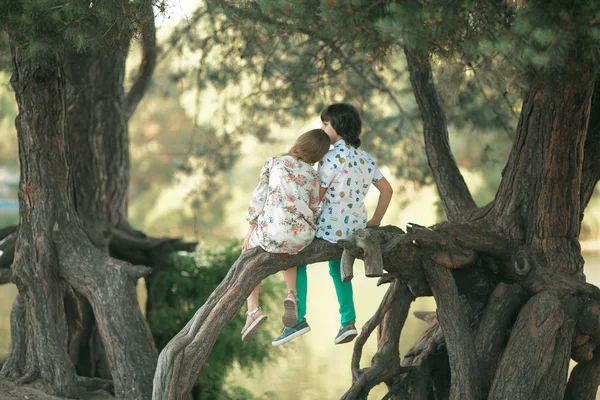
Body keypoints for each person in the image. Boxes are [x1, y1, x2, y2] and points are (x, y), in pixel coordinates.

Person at [272, 103, 393, 347]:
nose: (322, 127)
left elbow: (317, 197)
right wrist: (375, 221)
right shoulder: (365, 157)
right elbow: (387, 190)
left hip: (329, 227)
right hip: (356, 227)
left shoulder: (329, 158)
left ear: (338, 126)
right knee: (338, 272)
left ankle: (297, 320)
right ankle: (347, 322)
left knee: (296, 260)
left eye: (325, 123)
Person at [240, 129, 331, 342]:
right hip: (302, 236)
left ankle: (253, 311)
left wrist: (251, 227)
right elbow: (316, 207)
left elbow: (259, 197)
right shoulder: (313, 175)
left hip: (273, 233)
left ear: (300, 142)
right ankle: (291, 294)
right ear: (318, 155)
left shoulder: (275, 163)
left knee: (246, 252)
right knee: (290, 248)